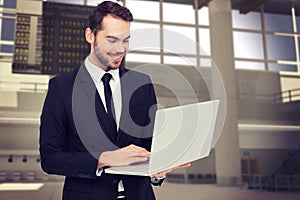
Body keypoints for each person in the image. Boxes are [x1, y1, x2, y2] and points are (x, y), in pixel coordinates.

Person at [39, 1, 189, 200]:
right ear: (90, 36)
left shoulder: (142, 85)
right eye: (112, 40)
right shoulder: (62, 88)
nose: (121, 49)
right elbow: (50, 158)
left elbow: (151, 146)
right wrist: (102, 159)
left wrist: (158, 169)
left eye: (126, 40)